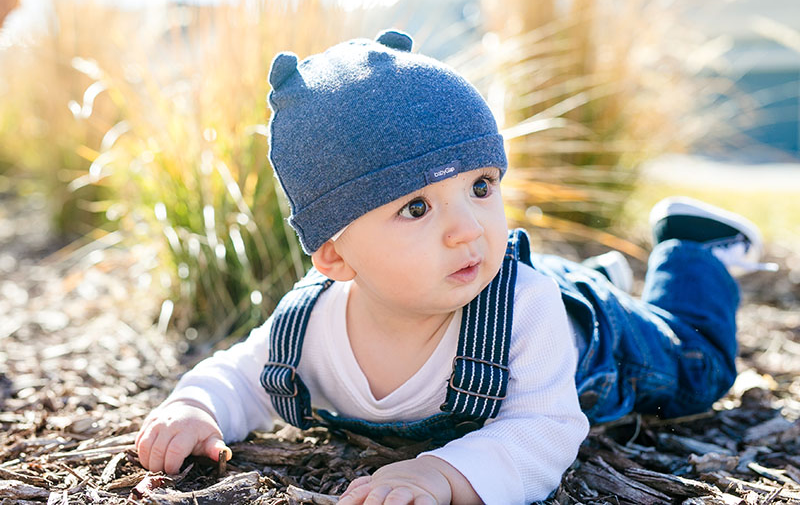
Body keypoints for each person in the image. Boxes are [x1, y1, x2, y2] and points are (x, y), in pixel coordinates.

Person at [135, 29, 773, 505]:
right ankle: (601, 275)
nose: (468, 226)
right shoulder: (308, 327)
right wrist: (198, 407)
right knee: (544, 284)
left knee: (696, 369)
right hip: (534, 294)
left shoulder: (523, 307)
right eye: (416, 207)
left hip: (599, 349)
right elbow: (246, 374)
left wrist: (444, 473)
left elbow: (545, 429)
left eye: (481, 186)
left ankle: (693, 246)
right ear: (334, 255)